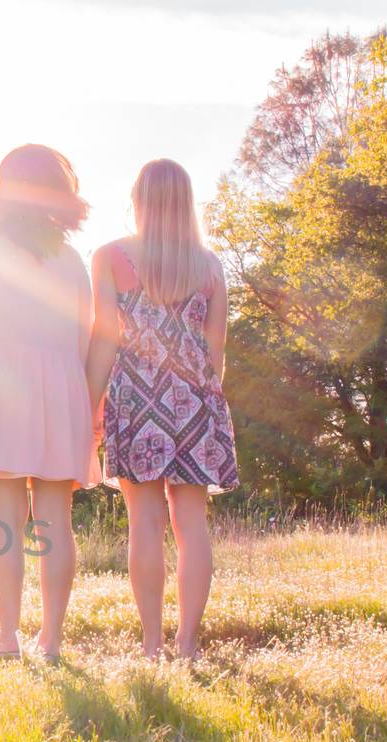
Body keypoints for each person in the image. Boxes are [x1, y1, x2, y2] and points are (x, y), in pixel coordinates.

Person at [86, 158, 238, 661]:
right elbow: (216, 357)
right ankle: (188, 645)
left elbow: (104, 340)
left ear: (138, 200)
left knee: (144, 524)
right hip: (196, 400)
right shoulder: (211, 267)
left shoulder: (110, 257)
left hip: (136, 398)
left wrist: (90, 406)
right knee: (191, 525)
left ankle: (151, 647)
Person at [0, 145, 97, 664]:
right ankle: (51, 640)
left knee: (5, 520)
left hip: (0, 388)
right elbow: (84, 337)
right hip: (62, 387)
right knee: (56, 519)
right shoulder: (72, 260)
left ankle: (8, 634)